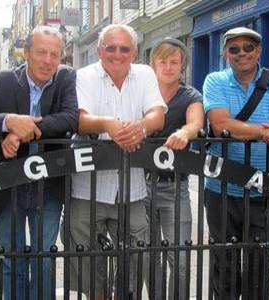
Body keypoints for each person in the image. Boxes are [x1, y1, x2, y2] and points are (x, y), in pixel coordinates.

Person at [0, 26, 79, 300]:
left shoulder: (65, 78)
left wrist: (25, 130)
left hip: (48, 185)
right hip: (8, 184)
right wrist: (8, 122)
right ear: (26, 53)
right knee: (11, 259)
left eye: (54, 54)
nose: (48, 60)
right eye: (41, 52)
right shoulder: (0, 80)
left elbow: (70, 118)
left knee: (43, 259)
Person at [60, 24, 166, 299]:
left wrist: (140, 128)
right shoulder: (83, 76)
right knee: (86, 258)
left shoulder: (144, 74)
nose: (117, 54)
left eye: (124, 48)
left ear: (134, 52)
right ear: (98, 50)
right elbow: (80, 119)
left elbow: (157, 114)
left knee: (136, 255)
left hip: (131, 189)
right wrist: (110, 125)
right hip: (87, 188)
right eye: (110, 47)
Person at [203, 27, 269, 299]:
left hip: (265, 189)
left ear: (258, 51)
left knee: (258, 263)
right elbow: (221, 125)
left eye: (248, 48)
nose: (241, 54)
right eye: (234, 49)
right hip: (221, 189)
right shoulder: (215, 81)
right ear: (226, 54)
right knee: (223, 262)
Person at [144, 37, 204, 299]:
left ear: (182, 66)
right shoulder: (144, 92)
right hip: (140, 185)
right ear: (153, 64)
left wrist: (185, 133)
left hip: (174, 186)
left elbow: (196, 123)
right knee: (147, 256)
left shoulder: (190, 95)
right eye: (163, 61)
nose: (168, 67)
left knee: (178, 257)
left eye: (174, 62)